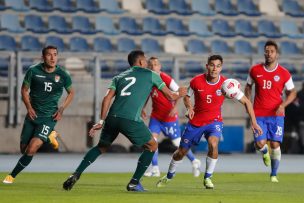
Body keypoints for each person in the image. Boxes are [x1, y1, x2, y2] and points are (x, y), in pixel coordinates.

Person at [62, 50, 187, 192]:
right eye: (145, 60)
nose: (147, 63)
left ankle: (76, 174)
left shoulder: (119, 77)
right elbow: (170, 96)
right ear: (140, 62)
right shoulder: (152, 75)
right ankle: (134, 183)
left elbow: (107, 98)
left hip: (112, 117)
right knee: (152, 146)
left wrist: (101, 120)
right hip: (130, 119)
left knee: (101, 147)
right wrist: (180, 94)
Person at [156, 55, 263, 189]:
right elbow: (187, 97)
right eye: (212, 65)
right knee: (181, 152)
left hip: (214, 121)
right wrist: (189, 108)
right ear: (207, 66)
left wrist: (254, 122)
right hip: (196, 123)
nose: (214, 69)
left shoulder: (227, 85)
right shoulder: (196, 81)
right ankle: (169, 175)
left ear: (221, 68)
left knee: (213, 143)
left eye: (218, 66)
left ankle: (208, 177)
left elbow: (246, 102)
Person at [3, 45, 74, 184]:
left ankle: (11, 176)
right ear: (43, 57)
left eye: (55, 54)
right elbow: (24, 90)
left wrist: (61, 109)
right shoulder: (33, 70)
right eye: (49, 55)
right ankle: (50, 136)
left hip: (49, 117)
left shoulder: (63, 74)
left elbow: (71, 92)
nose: (53, 58)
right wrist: (28, 107)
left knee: (32, 147)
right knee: (24, 149)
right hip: (32, 116)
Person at [244, 40, 296, 182]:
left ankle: (273, 174)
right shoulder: (255, 70)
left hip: (276, 115)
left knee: (275, 144)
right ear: (264, 53)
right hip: (259, 114)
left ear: (277, 54)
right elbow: (248, 87)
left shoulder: (284, 73)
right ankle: (264, 152)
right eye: (266, 51)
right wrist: (248, 103)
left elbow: (292, 92)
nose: (269, 54)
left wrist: (283, 105)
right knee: (260, 144)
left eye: (271, 51)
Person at [142, 57, 201, 178]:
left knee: (178, 143)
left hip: (169, 119)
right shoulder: (148, 79)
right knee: (151, 141)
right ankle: (155, 169)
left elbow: (181, 91)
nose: (153, 67)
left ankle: (194, 161)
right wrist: (143, 107)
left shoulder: (166, 78)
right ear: (148, 67)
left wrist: (175, 108)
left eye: (156, 64)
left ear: (160, 67)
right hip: (156, 117)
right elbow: (147, 94)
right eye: (151, 65)